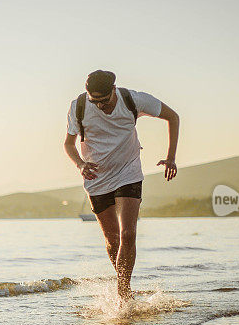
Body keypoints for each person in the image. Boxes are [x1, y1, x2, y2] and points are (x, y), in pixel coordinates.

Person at [63, 70, 179, 299]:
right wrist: (80, 164)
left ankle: (123, 294)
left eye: (104, 101)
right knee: (112, 239)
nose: (100, 107)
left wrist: (171, 157)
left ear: (113, 90)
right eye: (94, 102)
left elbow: (173, 117)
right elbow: (68, 144)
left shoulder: (133, 100)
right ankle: (125, 287)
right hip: (96, 179)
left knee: (128, 234)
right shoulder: (79, 106)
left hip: (128, 172)